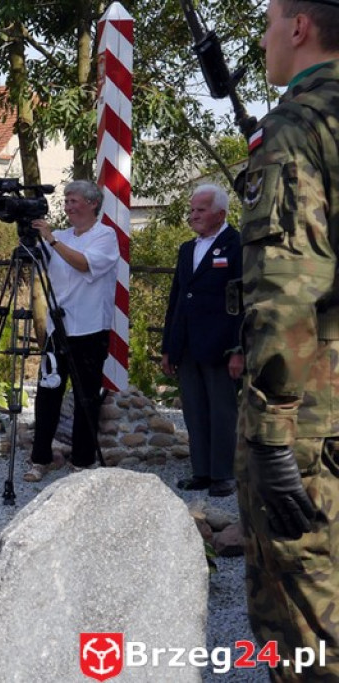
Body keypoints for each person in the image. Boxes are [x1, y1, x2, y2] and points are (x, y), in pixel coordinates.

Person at [236, 0, 339, 677]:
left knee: (306, 625)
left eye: (270, 20)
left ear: (299, 28)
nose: (264, 37)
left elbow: (287, 287)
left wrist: (272, 433)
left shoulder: (297, 127)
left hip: (311, 415)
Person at [24, 180, 119, 482]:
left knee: (85, 397)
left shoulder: (105, 236)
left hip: (90, 328)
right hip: (58, 327)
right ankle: (40, 458)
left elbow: (83, 264)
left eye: (74, 200)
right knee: (47, 394)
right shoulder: (62, 236)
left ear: (92, 203)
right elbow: (35, 259)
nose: (68, 206)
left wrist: (51, 240)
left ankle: (82, 460)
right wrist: (30, 233)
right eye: (66, 201)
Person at [161, 184, 243, 498]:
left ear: (220, 213)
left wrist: (238, 349)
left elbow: (242, 302)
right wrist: (168, 347)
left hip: (221, 344)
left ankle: (224, 474)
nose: (193, 215)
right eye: (192, 210)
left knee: (222, 411)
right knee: (194, 410)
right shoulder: (187, 249)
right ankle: (202, 471)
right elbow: (177, 299)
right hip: (187, 344)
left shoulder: (236, 245)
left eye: (201, 210)